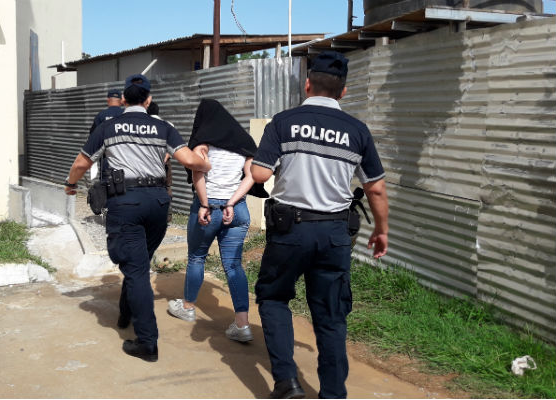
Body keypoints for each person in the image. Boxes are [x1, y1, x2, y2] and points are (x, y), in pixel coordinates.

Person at [250, 51, 389, 399]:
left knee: (273, 296)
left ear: (308, 84)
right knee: (330, 315)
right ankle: (332, 394)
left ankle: (287, 382)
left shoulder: (283, 121)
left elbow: (260, 173)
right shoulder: (357, 130)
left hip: (289, 231)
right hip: (334, 233)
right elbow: (376, 187)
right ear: (343, 92)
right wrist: (381, 230)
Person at [64, 73, 210, 362]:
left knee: (136, 270)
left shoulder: (109, 126)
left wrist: (70, 185)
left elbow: (82, 162)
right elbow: (191, 161)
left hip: (126, 202)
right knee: (138, 262)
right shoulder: (163, 126)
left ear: (122, 100)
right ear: (148, 99)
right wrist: (207, 162)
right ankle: (126, 313)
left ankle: (147, 343)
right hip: (157, 202)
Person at [167, 99, 261, 342]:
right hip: (236, 210)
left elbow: (199, 173)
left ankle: (187, 308)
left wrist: (206, 204)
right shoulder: (244, 143)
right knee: (233, 265)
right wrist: (232, 202)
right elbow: (251, 176)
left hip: (209, 208)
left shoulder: (203, 143)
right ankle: (242, 326)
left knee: (197, 257)